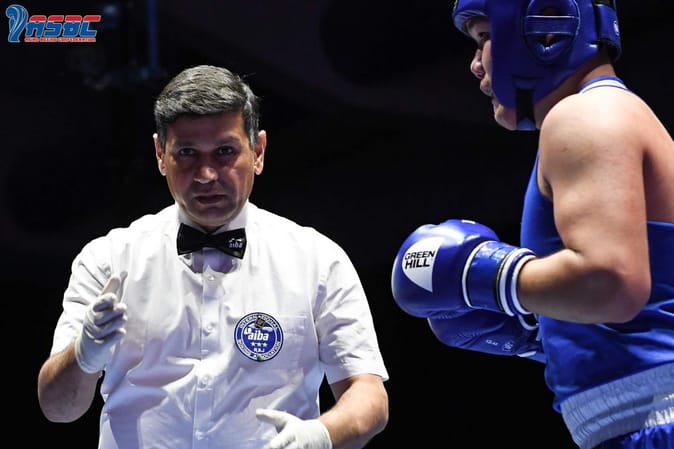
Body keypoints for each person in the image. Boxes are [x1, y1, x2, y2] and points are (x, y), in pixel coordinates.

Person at [37, 64, 389, 449]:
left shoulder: (318, 260)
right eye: (187, 152)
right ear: (160, 154)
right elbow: (58, 409)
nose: (206, 174)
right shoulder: (108, 259)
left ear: (258, 151)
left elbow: (368, 394)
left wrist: (321, 435)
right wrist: (84, 355)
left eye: (224, 152)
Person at [390, 1, 674, 448]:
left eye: (484, 38)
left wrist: (484, 277)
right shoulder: (611, 114)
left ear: (546, 32)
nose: (476, 64)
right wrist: (545, 330)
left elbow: (612, 283)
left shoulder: (584, 116)